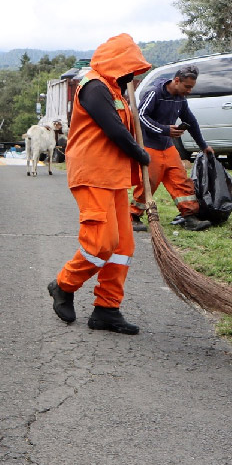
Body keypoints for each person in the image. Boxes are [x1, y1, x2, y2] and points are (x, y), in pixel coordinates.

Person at [48, 33, 152, 335]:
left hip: (115, 176)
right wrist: (140, 154)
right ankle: (63, 285)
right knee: (101, 242)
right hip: (92, 174)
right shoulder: (94, 87)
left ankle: (107, 309)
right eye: (130, 68)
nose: (133, 74)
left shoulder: (115, 89)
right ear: (118, 64)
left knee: (122, 246)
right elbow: (113, 129)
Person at [130, 64, 214, 232]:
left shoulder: (180, 99)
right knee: (149, 182)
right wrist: (165, 130)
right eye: (187, 86)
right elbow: (140, 117)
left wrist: (203, 146)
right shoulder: (154, 93)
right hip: (149, 146)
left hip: (168, 147)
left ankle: (189, 216)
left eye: (191, 87)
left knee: (180, 179)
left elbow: (191, 121)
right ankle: (132, 215)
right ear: (176, 81)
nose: (189, 91)